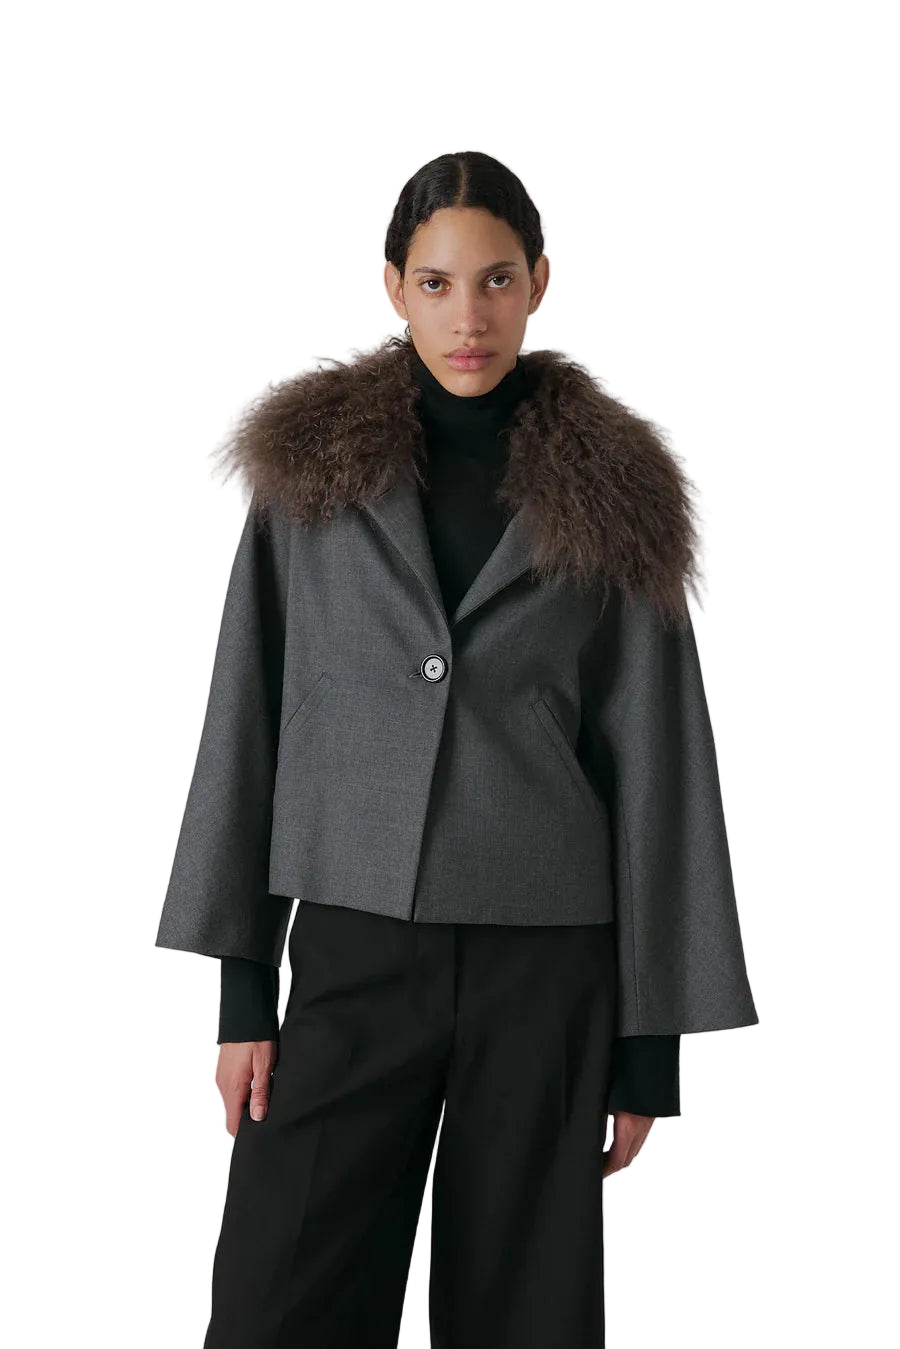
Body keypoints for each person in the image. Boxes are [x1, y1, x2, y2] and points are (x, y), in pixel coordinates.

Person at [156, 150, 758, 1349]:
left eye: (495, 280)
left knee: (523, 1313)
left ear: (539, 282)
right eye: (435, 283)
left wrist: (648, 1045)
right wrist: (243, 990)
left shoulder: (616, 489)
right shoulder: (309, 476)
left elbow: (659, 760)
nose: (467, 315)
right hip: (352, 946)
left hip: (547, 962)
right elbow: (249, 714)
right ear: (394, 286)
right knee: (280, 1300)